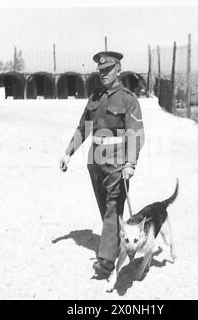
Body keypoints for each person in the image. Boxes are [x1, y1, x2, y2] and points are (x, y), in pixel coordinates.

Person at [59, 51, 145, 277]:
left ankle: (105, 262)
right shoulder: (95, 97)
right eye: (100, 71)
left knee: (112, 208)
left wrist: (130, 163)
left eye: (108, 70)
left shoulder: (128, 99)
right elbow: (83, 128)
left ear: (118, 69)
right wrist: (69, 152)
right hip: (95, 160)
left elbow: (136, 135)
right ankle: (116, 243)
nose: (103, 75)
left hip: (117, 161)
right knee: (105, 208)